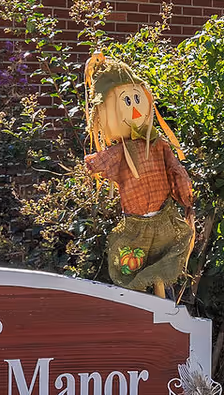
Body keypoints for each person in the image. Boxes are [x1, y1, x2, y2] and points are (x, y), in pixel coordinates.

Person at [82, 54, 195, 297]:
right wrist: (90, 168)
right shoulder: (121, 151)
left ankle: (164, 307)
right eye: (126, 101)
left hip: (164, 217)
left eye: (137, 99)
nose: (134, 107)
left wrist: (184, 190)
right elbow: (99, 163)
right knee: (135, 268)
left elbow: (174, 168)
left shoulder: (158, 145)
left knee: (164, 264)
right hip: (135, 225)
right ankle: (147, 307)